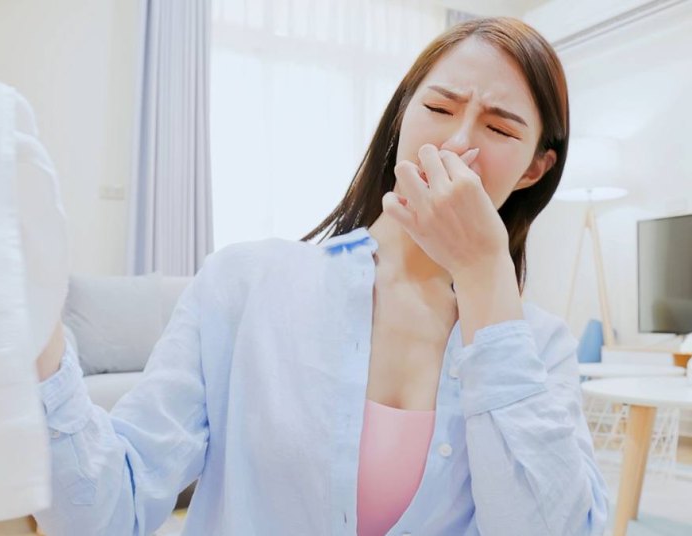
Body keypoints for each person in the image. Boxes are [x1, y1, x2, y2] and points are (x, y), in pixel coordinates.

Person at [31, 16, 608, 536]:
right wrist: (38, 329)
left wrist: (485, 274)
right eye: (438, 108)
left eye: (500, 130)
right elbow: (107, 510)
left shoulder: (540, 348)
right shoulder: (247, 284)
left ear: (536, 167)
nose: (457, 144)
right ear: (403, 112)